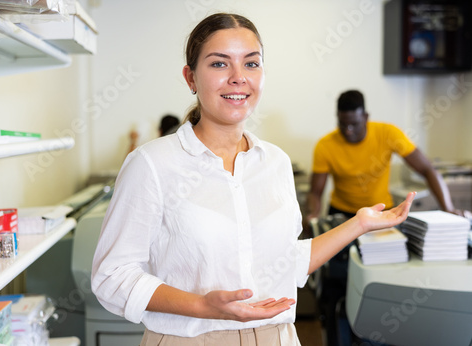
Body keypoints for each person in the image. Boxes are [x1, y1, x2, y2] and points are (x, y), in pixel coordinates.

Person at [91, 13, 415, 346]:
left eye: (251, 64)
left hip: (279, 337)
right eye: (219, 64)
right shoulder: (152, 164)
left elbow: (288, 263)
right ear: (190, 78)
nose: (237, 78)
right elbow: (112, 277)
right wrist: (203, 306)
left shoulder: (275, 162)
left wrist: (359, 224)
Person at [305, 89, 460, 223]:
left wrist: (448, 209)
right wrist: (312, 215)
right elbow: (315, 192)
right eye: (342, 124)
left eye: (354, 124)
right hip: (342, 214)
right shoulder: (325, 145)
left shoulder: (388, 133)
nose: (348, 131)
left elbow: (427, 169)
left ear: (365, 117)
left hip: (381, 212)